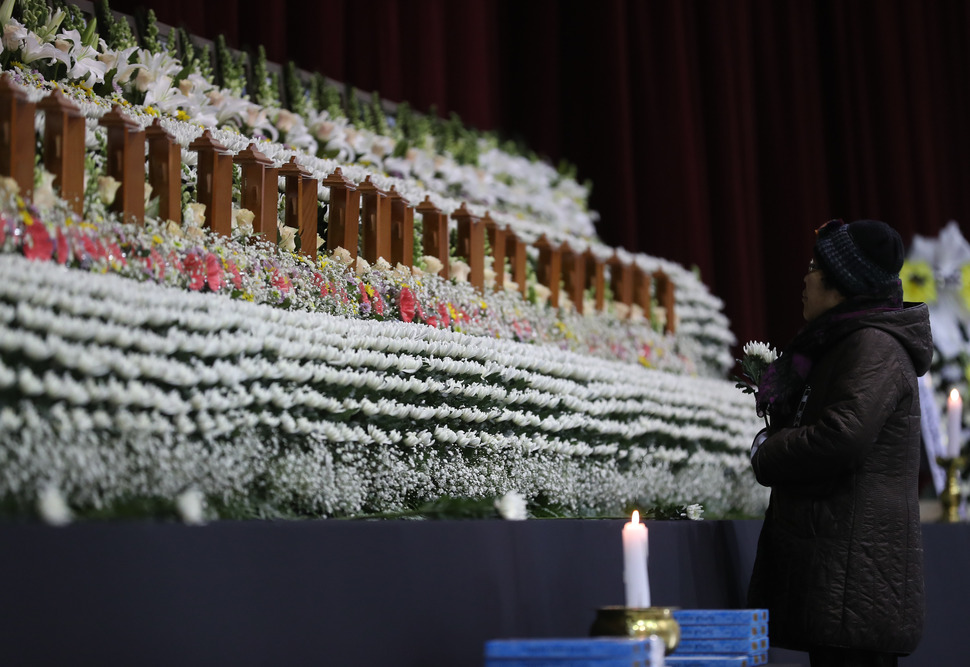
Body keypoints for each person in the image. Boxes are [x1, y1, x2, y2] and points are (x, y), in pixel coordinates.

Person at [747, 219, 931, 667]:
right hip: (842, 574)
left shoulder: (873, 344)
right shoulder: (845, 340)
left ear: (843, 284)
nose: (805, 278)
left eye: (815, 267)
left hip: (856, 580)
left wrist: (767, 449)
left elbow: (841, 436)